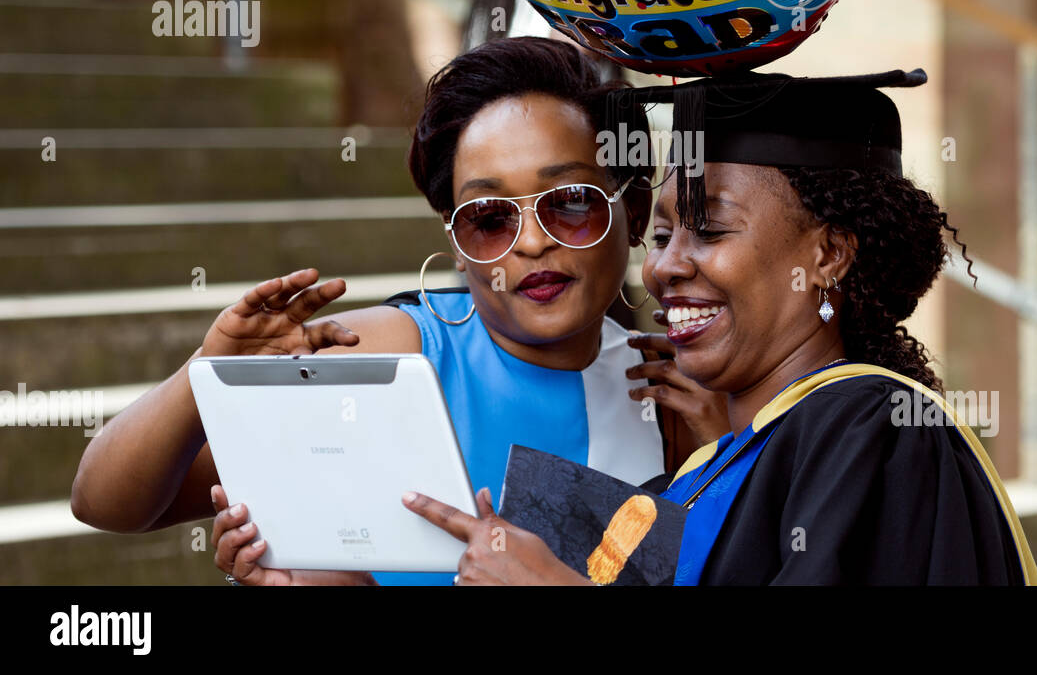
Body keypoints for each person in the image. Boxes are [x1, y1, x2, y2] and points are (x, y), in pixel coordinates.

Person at [71, 36, 729, 586]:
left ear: (634, 213)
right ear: (456, 244)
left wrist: (712, 469)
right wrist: (204, 370)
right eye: (489, 218)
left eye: (571, 202)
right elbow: (107, 502)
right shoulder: (391, 356)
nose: (531, 242)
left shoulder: (669, 395)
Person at [392, 68, 1037, 585]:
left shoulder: (875, 431)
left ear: (828, 255)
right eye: (666, 234)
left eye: (710, 230)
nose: (665, 267)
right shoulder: (718, 461)